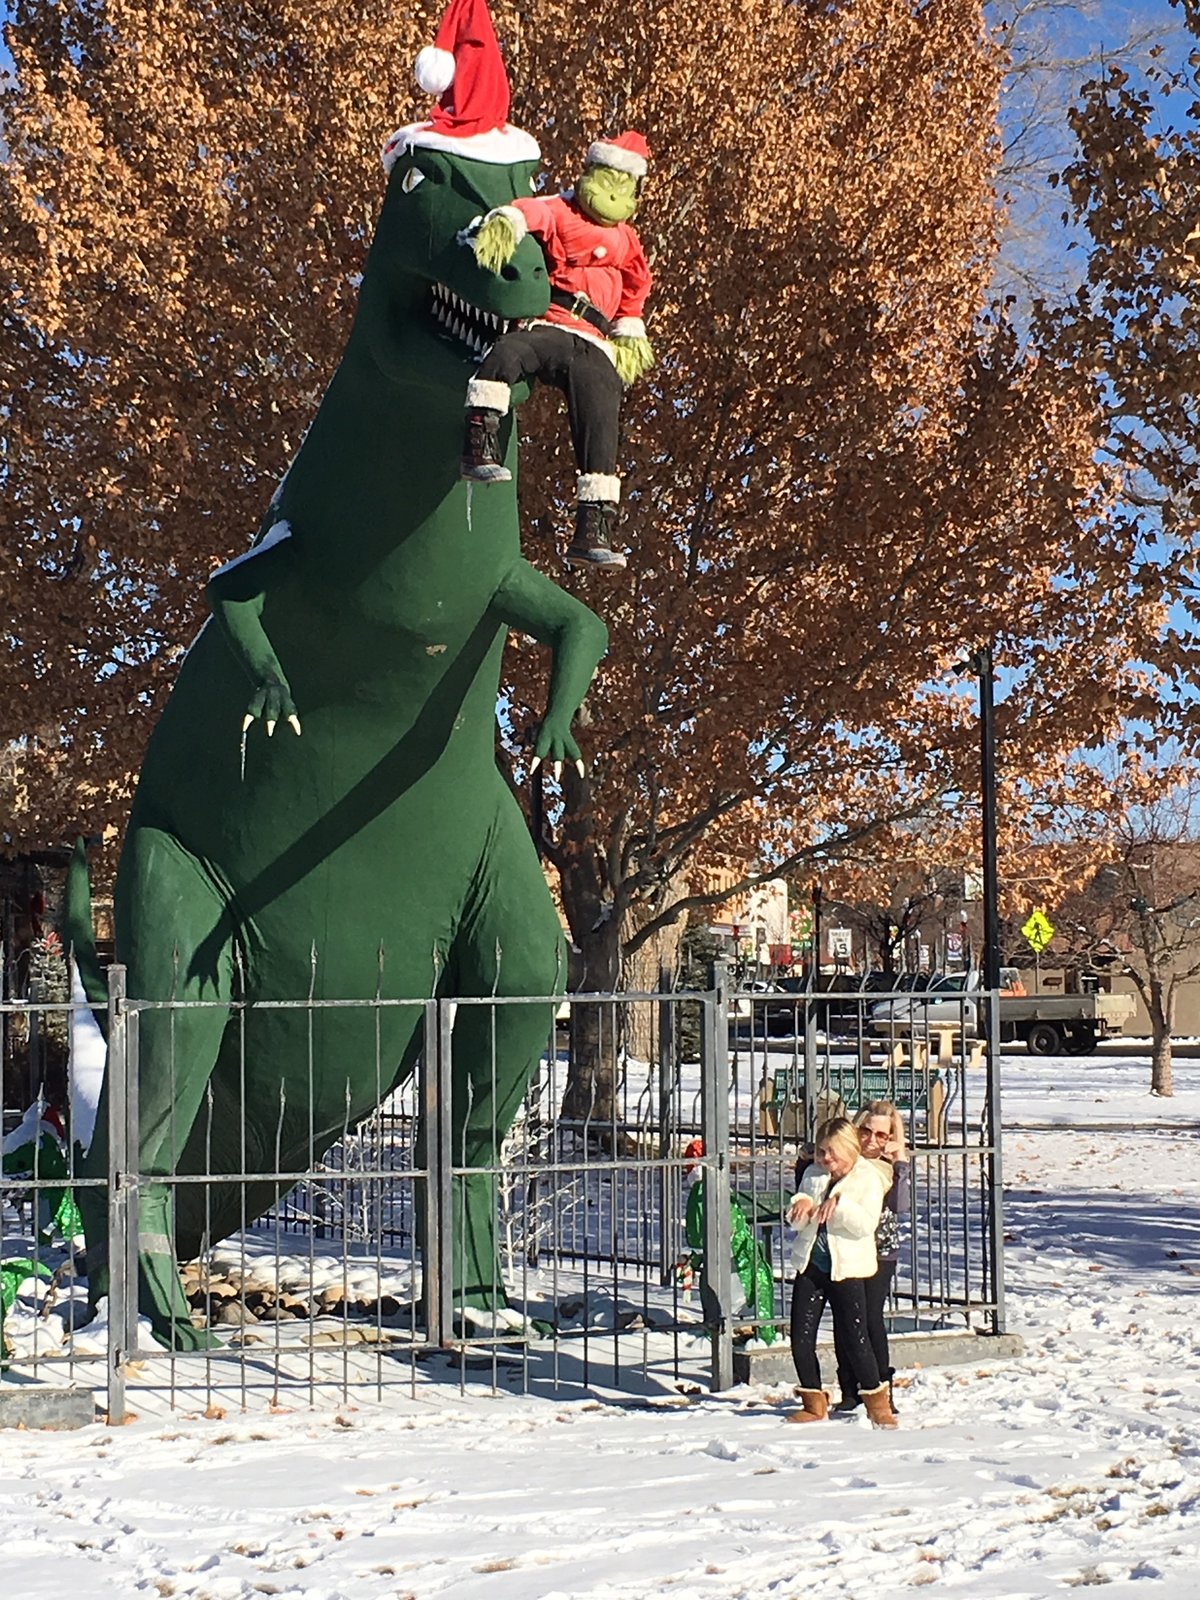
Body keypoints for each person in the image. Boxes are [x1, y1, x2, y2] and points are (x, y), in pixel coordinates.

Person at [460, 132, 654, 570]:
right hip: (550, 322)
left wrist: (629, 332)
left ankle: (594, 523)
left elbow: (636, 287)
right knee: (510, 352)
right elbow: (531, 213)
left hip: (593, 340)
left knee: (603, 409)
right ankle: (479, 434)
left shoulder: (627, 241)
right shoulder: (562, 211)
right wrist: (505, 223)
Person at [785, 1116, 899, 1428]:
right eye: (821, 1152)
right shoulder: (814, 1173)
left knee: (855, 1336)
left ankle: (877, 1403)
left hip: (847, 1268)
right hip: (812, 1264)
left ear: (849, 1149)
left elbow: (865, 1225)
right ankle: (813, 1402)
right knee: (801, 1336)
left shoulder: (867, 1178)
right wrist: (799, 1210)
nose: (825, 1159)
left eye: (832, 1153)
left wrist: (841, 1206)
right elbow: (799, 1215)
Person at [832, 1101, 911, 1414]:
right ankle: (849, 1389)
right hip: (847, 1245)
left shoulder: (890, 1166)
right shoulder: (844, 1159)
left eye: (882, 1135)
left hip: (880, 1250)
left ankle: (881, 1389)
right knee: (845, 1319)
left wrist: (900, 1159)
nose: (872, 1140)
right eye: (866, 1131)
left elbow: (899, 1205)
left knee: (870, 1318)